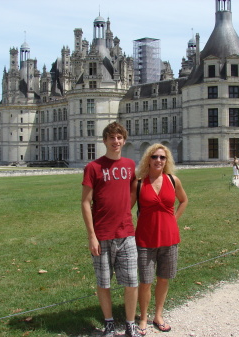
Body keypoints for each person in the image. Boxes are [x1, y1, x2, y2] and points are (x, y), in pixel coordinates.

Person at [81, 122, 140, 337]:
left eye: (119, 137)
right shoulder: (93, 168)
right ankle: (108, 322)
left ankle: (130, 323)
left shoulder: (130, 165)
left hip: (126, 233)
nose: (116, 141)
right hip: (102, 234)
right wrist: (91, 236)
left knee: (132, 282)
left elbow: (133, 190)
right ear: (104, 140)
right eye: (112, 138)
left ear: (124, 140)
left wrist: (125, 209)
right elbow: (86, 202)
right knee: (103, 283)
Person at [131, 144, 188, 336]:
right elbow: (126, 208)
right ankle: (144, 318)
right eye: (154, 157)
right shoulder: (139, 183)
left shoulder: (173, 180)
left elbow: (184, 200)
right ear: (148, 159)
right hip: (145, 240)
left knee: (163, 278)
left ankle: (158, 315)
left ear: (167, 161)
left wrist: (174, 219)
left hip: (169, 238)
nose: (158, 160)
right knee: (145, 281)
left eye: (162, 158)